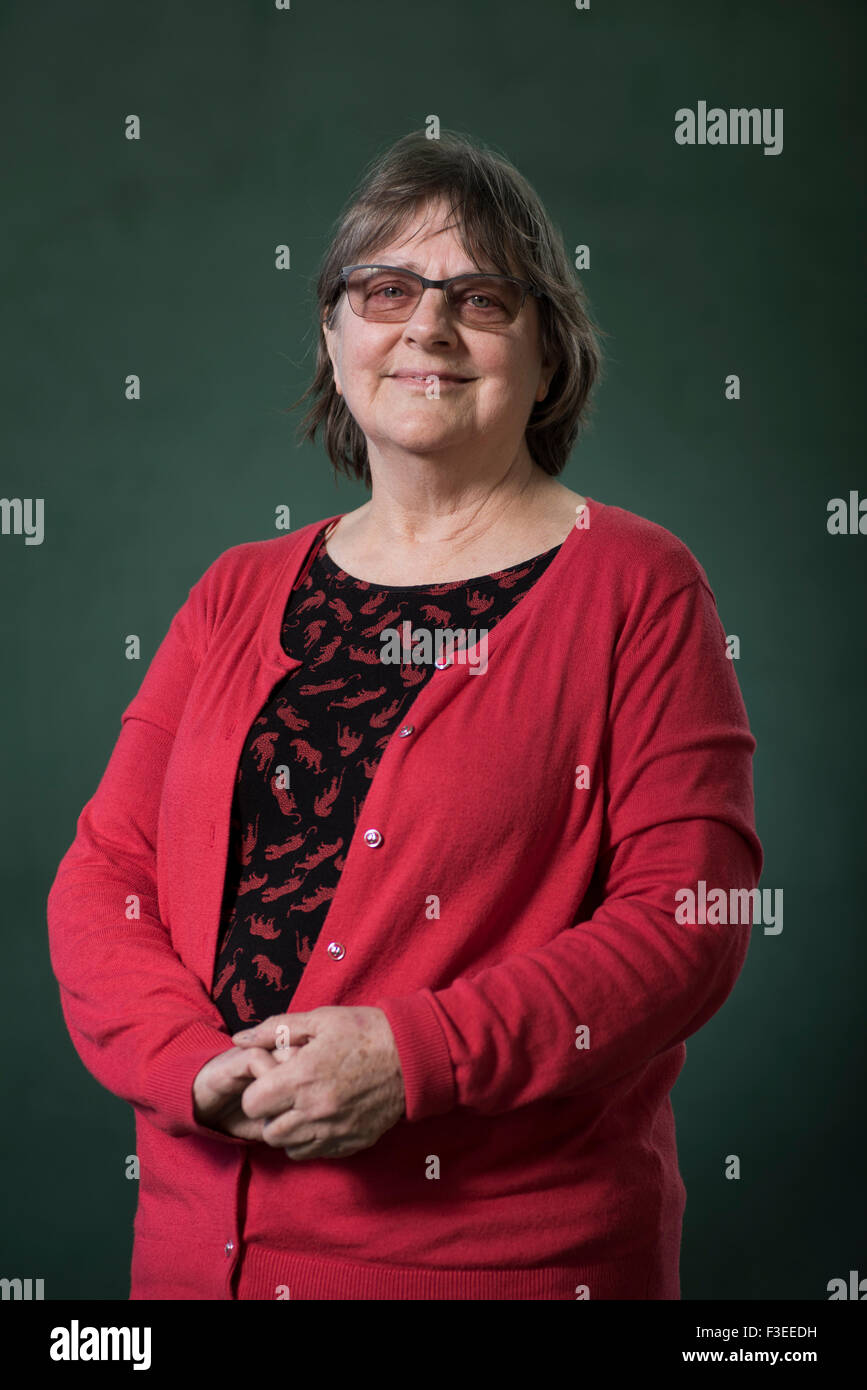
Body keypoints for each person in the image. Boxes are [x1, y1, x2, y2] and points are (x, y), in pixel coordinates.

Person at [47, 129, 762, 1300]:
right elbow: (104, 874)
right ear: (335, 338)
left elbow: (693, 915)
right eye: (386, 289)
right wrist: (192, 1068)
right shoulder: (236, 588)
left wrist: (415, 1057)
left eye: (478, 297)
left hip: (495, 1266)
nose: (425, 327)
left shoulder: (638, 585)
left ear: (548, 356)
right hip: (188, 1262)